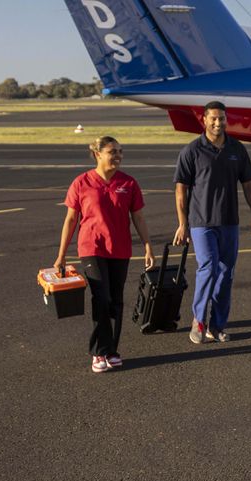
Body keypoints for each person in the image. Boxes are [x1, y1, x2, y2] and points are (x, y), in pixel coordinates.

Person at [54, 136, 154, 373]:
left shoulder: (128, 183)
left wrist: (148, 245)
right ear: (97, 154)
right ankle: (98, 352)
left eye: (120, 151)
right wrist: (61, 255)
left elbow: (138, 217)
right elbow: (70, 219)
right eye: (112, 151)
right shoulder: (82, 182)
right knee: (102, 298)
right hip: (92, 248)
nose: (117, 156)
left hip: (120, 249)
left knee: (116, 300)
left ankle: (111, 351)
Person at [173, 101, 251, 345]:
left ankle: (217, 325)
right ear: (204, 120)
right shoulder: (192, 151)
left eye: (221, 118)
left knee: (226, 275)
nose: (217, 122)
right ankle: (198, 320)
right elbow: (181, 190)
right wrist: (183, 223)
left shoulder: (237, 149)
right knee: (208, 268)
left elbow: (249, 185)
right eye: (213, 118)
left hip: (229, 222)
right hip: (201, 222)